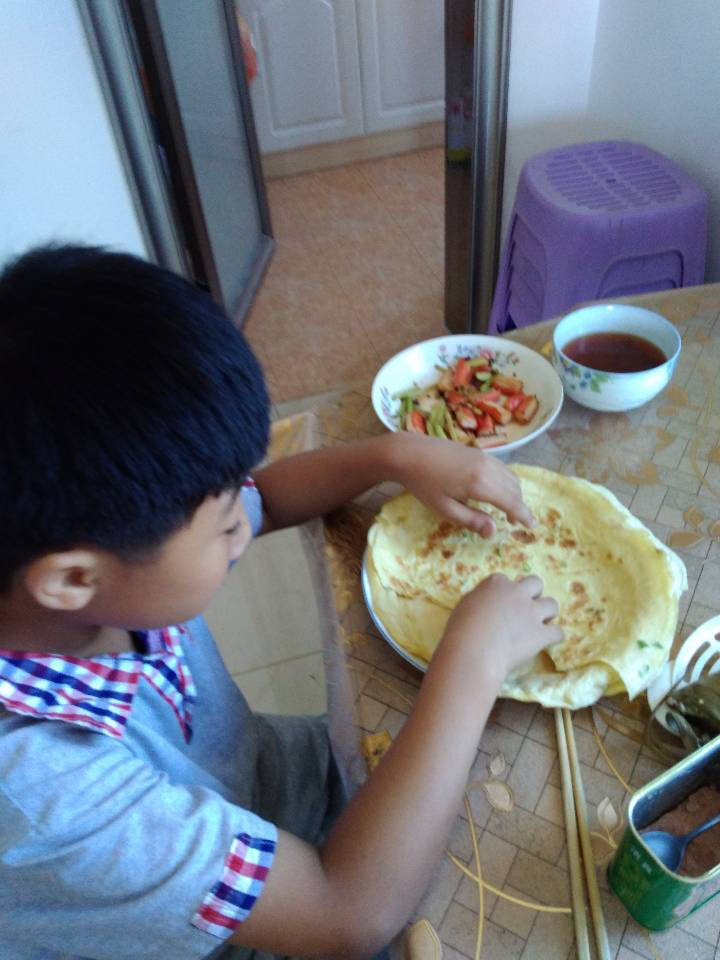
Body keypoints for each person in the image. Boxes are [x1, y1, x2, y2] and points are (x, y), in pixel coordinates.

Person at [0, 245, 562, 960]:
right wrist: (472, 660)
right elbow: (347, 917)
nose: (246, 517)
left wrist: (388, 456)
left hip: (282, 792)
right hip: (271, 922)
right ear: (72, 580)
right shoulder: (46, 796)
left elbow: (263, 497)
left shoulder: (76, 561)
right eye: (223, 517)